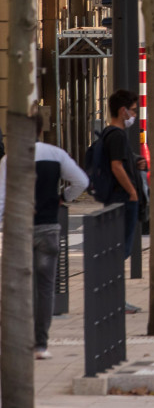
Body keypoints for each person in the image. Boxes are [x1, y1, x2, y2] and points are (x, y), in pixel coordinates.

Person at [0, 102, 89, 359]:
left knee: (19, 287)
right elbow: (81, 181)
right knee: (45, 288)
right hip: (49, 228)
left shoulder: (11, 158)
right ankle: (41, 344)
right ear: (40, 129)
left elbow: (2, 198)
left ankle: (19, 340)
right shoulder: (56, 154)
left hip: (20, 229)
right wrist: (64, 196)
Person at [100, 89, 147, 305]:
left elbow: (120, 162)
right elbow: (116, 166)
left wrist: (135, 161)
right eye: (133, 110)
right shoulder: (117, 135)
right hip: (123, 198)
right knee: (122, 249)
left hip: (118, 197)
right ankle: (114, 297)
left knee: (120, 248)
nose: (134, 115)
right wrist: (132, 191)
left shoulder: (110, 134)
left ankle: (114, 296)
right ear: (123, 111)